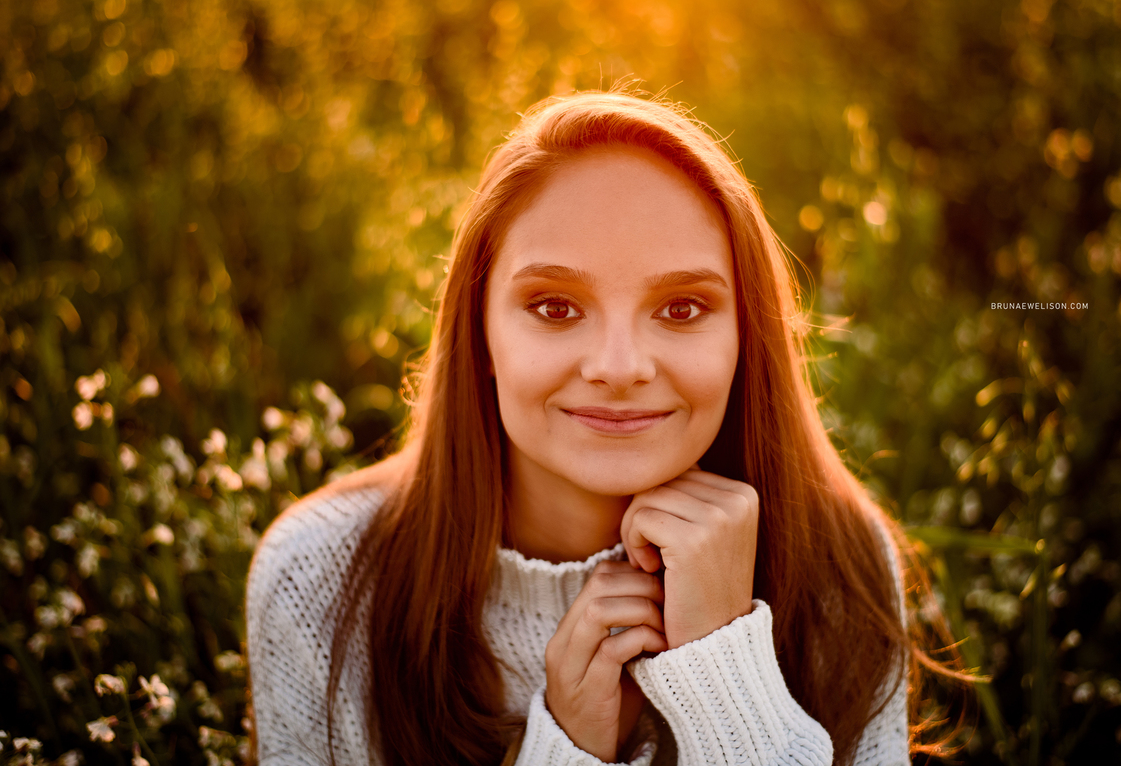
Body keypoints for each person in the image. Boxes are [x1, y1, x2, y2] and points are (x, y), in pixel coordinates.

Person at [245, 90, 937, 766]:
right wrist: (566, 748)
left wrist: (725, 669)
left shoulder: (838, 560)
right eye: (554, 307)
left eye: (682, 308)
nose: (619, 366)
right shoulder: (322, 580)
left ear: (745, 337)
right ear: (480, 333)